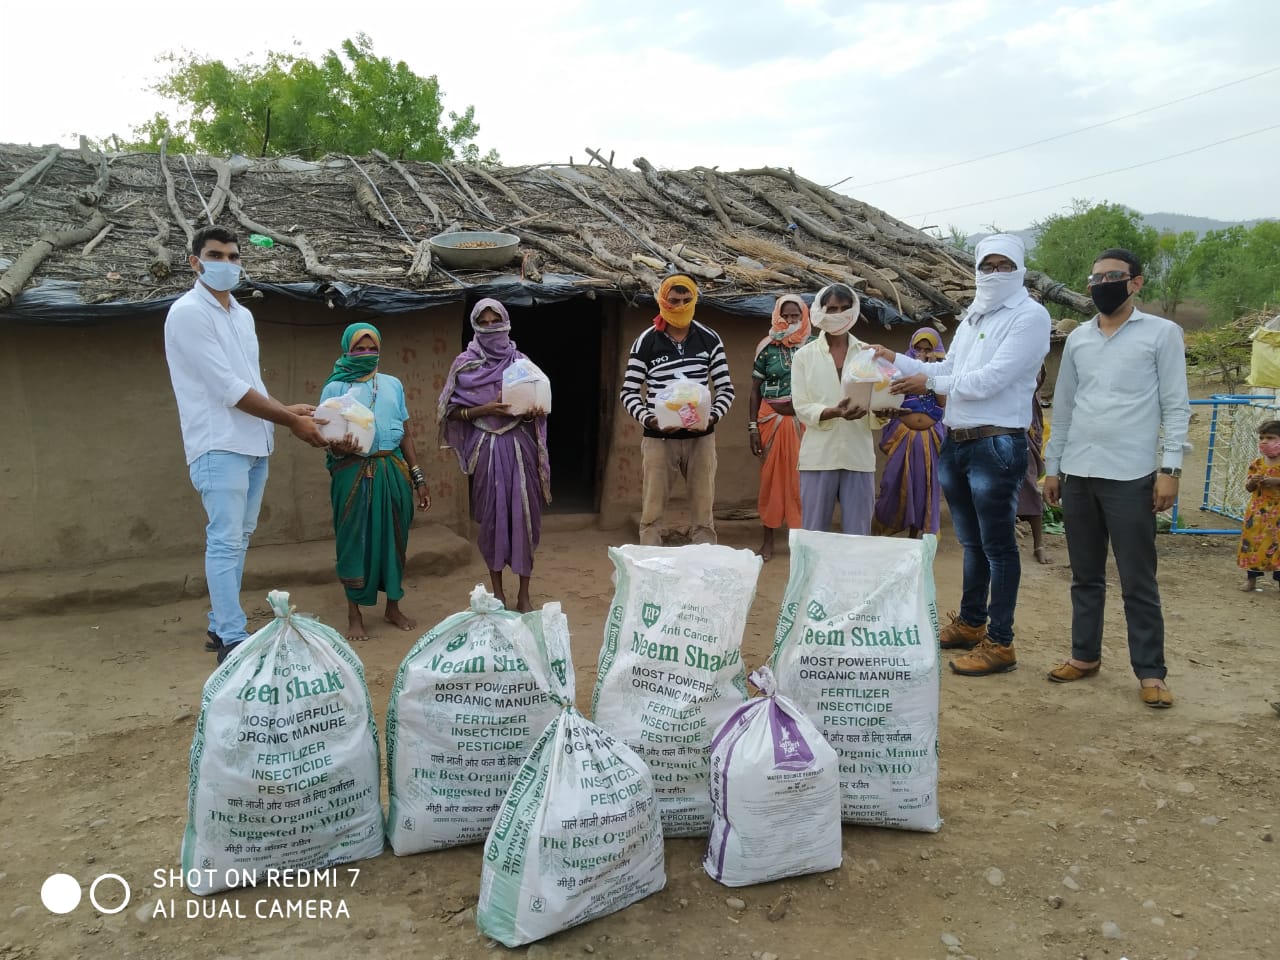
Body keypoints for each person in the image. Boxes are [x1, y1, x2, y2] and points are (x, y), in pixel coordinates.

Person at [876, 233, 1050, 677]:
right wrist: (894, 358)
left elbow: (993, 378)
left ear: (1019, 269)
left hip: (996, 442)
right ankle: (973, 623)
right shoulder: (974, 317)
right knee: (972, 542)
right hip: (958, 439)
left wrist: (929, 385)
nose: (994, 274)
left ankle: (1002, 641)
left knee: (998, 545)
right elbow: (948, 369)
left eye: (1003, 266)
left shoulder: (1029, 317)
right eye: (986, 266)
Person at [163, 224, 328, 664]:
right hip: (218, 444)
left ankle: (221, 627)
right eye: (216, 256)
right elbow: (227, 389)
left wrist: (286, 410)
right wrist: (291, 420)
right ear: (195, 262)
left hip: (255, 441)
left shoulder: (242, 314)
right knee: (224, 540)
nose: (228, 264)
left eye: (234, 256)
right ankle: (233, 638)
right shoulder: (187, 313)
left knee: (239, 538)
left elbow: (248, 383)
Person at [1043, 247, 1191, 709]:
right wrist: (1053, 467)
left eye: (1112, 276)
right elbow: (1063, 408)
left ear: (1136, 282)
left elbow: (1176, 404)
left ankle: (1151, 671)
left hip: (1131, 474)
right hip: (1079, 473)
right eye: (1094, 277)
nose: (1101, 284)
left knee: (1137, 579)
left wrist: (1169, 470)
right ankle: (1084, 656)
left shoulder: (1162, 334)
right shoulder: (1081, 340)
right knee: (1085, 575)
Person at [320, 322, 432, 641]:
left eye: (372, 349)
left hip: (392, 469)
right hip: (351, 472)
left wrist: (417, 476)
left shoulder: (392, 385)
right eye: (359, 348)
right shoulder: (334, 389)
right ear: (347, 351)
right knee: (353, 541)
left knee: (395, 541)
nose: (367, 354)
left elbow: (406, 432)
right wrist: (339, 445)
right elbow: (324, 436)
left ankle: (392, 607)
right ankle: (354, 614)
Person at [438, 299, 550, 612]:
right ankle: (498, 592)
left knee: (525, 518)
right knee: (492, 518)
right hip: (487, 448)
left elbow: (534, 402)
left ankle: (524, 594)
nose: (490, 328)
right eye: (483, 322)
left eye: (495, 321)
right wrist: (484, 409)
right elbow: (450, 413)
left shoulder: (521, 363)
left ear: (507, 322)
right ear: (474, 325)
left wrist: (533, 412)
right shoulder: (464, 364)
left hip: (520, 446)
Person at [620, 275, 735, 545]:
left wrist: (712, 417)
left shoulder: (709, 339)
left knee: (703, 514)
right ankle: (649, 565)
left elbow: (726, 389)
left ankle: (703, 565)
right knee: (651, 512)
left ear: (695, 300)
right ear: (662, 300)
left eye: (687, 300)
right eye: (674, 300)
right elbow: (628, 392)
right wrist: (650, 419)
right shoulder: (646, 341)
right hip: (659, 439)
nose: (680, 305)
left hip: (701, 440)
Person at [790, 284, 880, 535]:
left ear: (854, 310)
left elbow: (877, 400)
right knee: (813, 534)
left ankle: (853, 576)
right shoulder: (804, 356)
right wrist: (833, 412)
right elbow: (801, 406)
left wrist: (882, 412)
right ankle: (811, 577)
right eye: (831, 309)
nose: (838, 314)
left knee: (858, 535)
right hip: (819, 456)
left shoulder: (869, 354)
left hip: (858, 455)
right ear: (819, 311)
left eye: (844, 308)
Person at [749, 294, 813, 559]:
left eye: (794, 316)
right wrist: (752, 427)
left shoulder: (815, 347)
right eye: (784, 316)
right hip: (770, 421)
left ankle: (800, 542)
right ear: (777, 316)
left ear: (803, 317)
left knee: (803, 482)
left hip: (806, 423)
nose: (789, 321)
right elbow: (754, 391)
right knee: (771, 482)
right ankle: (768, 540)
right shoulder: (767, 347)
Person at [873, 328, 947, 538]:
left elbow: (942, 402)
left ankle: (916, 533)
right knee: (893, 482)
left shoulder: (942, 371)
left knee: (925, 485)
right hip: (902, 435)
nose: (922, 353)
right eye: (918, 348)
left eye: (927, 349)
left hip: (930, 437)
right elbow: (888, 396)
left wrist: (932, 372)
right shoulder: (898, 369)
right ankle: (886, 530)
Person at [1237, 420, 1280, 592]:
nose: (1264, 441)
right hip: (1257, 514)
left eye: (1270, 437)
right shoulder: (1257, 463)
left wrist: (1276, 481)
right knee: (1253, 546)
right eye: (1262, 438)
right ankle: (1251, 580)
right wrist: (1253, 482)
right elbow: (1248, 488)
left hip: (1278, 514)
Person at [1016, 364, 1051, 564]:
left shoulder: (1034, 358)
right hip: (1002, 429)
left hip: (1025, 433)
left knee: (1029, 484)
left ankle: (1039, 544)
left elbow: (1035, 383)